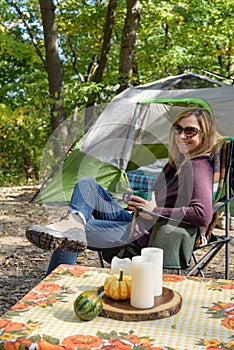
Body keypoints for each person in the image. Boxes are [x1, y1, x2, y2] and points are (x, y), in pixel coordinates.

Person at [26, 108, 216, 275]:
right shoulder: (176, 163)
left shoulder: (198, 167)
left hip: (144, 234)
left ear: (204, 134)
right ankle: (74, 220)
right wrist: (135, 199)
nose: (182, 136)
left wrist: (154, 212)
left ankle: (55, 284)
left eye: (190, 131)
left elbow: (202, 214)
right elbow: (161, 199)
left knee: (69, 233)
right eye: (178, 129)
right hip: (138, 220)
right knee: (87, 185)